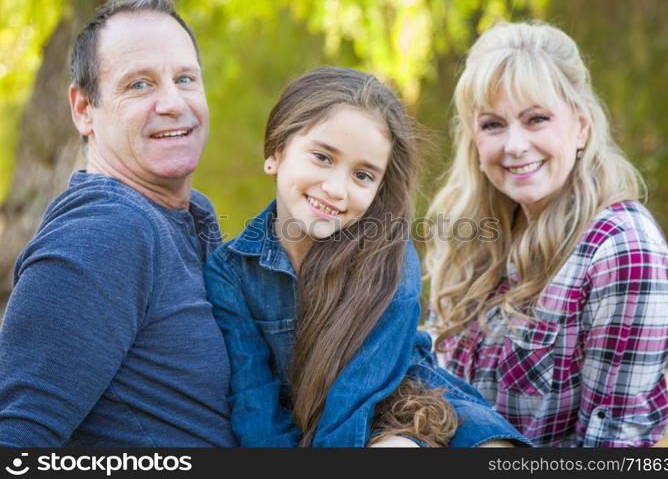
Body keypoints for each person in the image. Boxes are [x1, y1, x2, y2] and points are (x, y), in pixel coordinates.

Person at [204, 66, 531, 448]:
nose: (336, 189)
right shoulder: (231, 271)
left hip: (408, 404)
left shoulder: (389, 257)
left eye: (363, 176)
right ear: (276, 152)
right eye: (323, 157)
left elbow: (359, 395)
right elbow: (253, 399)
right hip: (304, 424)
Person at [424, 21, 668, 447]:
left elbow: (616, 445)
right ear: (474, 136)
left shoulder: (622, 250)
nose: (515, 145)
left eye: (536, 119)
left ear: (581, 125)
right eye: (493, 125)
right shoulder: (475, 238)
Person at [0, 0, 236, 447]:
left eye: (185, 78)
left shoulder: (193, 216)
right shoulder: (106, 233)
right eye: (139, 85)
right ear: (84, 109)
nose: (172, 103)